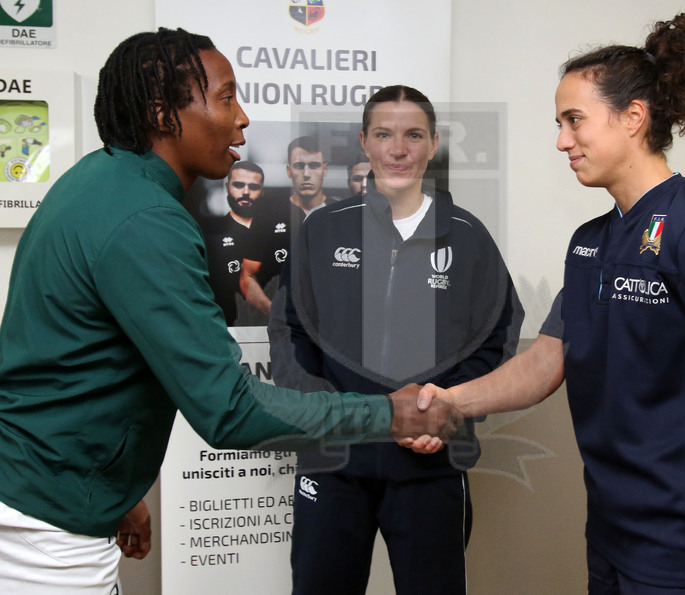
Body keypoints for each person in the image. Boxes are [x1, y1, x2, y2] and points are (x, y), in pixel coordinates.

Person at [0, 29, 461, 594]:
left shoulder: (101, 182)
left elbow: (75, 363)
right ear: (162, 112)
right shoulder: (145, 219)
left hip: (52, 500)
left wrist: (115, 494)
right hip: (43, 534)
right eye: (225, 97)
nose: (242, 118)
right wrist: (389, 415)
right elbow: (230, 412)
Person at [412, 13, 685, 594]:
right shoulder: (592, 240)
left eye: (575, 120)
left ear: (634, 118)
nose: (562, 140)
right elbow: (549, 358)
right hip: (613, 534)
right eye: (559, 122)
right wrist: (451, 400)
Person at [269, 85, 523, 594]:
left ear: (432, 144)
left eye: (413, 135)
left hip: (429, 464)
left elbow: (496, 338)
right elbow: (289, 330)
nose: (398, 149)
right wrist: (328, 413)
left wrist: (446, 410)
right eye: (384, 134)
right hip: (334, 458)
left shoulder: (468, 237)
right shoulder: (322, 230)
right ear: (365, 142)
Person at [239, 136, 335, 317]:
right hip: (283, 333)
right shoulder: (268, 214)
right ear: (289, 171)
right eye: (299, 166)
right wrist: (277, 315)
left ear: (325, 170)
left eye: (314, 166)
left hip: (332, 331)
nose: (307, 174)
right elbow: (247, 278)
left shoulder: (343, 213)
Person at [202, 160, 264, 326]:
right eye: (238, 185)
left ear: (262, 191)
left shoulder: (276, 231)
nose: (246, 192)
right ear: (227, 186)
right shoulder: (208, 234)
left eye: (253, 187)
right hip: (224, 327)